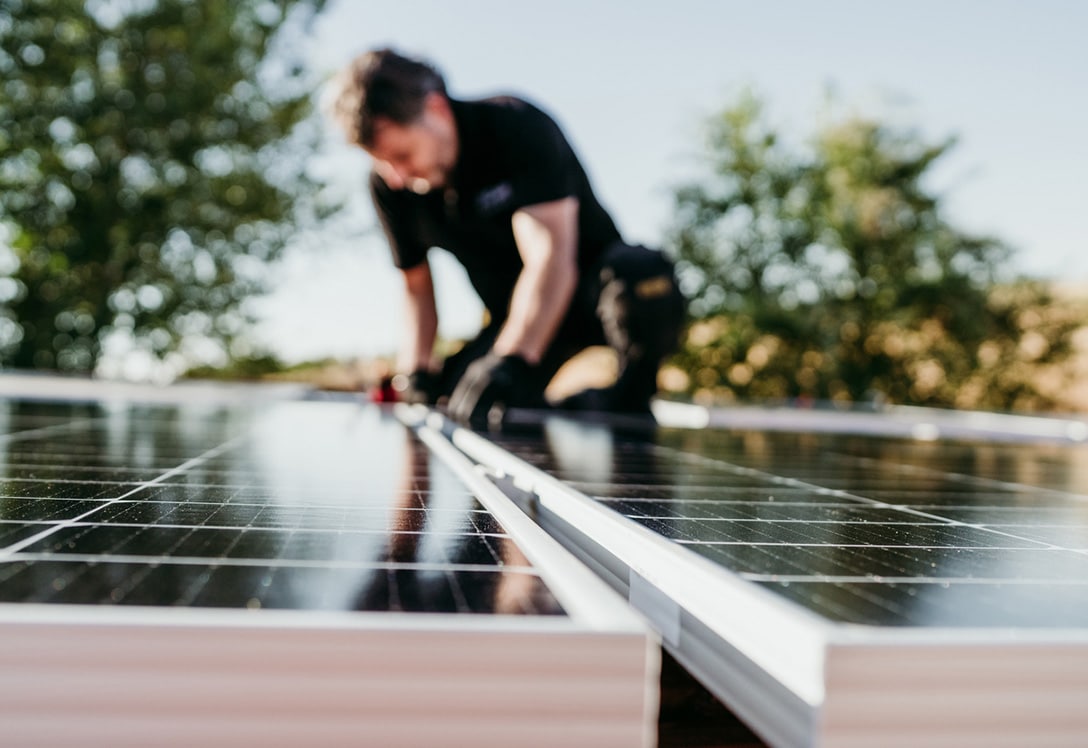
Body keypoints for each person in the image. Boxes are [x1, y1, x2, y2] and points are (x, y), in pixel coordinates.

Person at [327, 48, 685, 425]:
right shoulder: (390, 186)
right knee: (461, 397)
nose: (396, 176)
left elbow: (550, 257)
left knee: (644, 276)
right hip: (512, 319)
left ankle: (628, 401)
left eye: (402, 155)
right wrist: (416, 373)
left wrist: (512, 360)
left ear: (436, 109)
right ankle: (555, 401)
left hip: (590, 296)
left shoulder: (514, 126)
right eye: (382, 163)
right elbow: (416, 286)